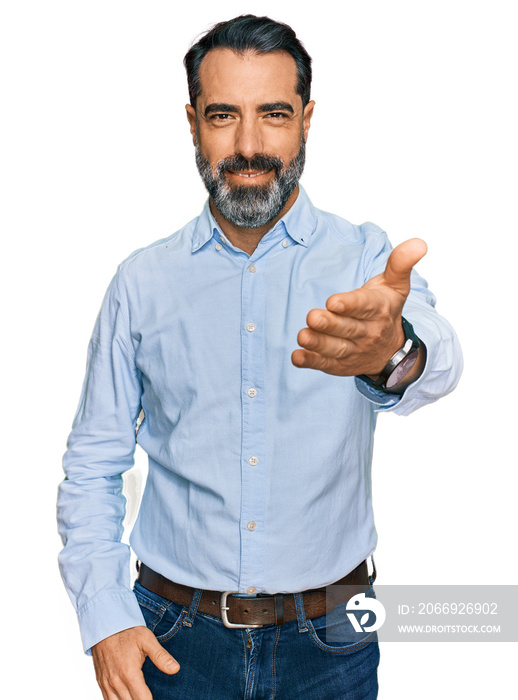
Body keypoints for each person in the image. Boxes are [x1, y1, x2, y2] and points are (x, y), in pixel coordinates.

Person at [57, 14, 462, 700]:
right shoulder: (141, 282)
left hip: (332, 644)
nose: (249, 145)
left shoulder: (365, 261)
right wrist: (104, 618)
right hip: (170, 641)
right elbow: (93, 463)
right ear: (192, 124)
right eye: (223, 116)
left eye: (274, 114)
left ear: (307, 119)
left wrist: (392, 351)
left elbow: (439, 360)